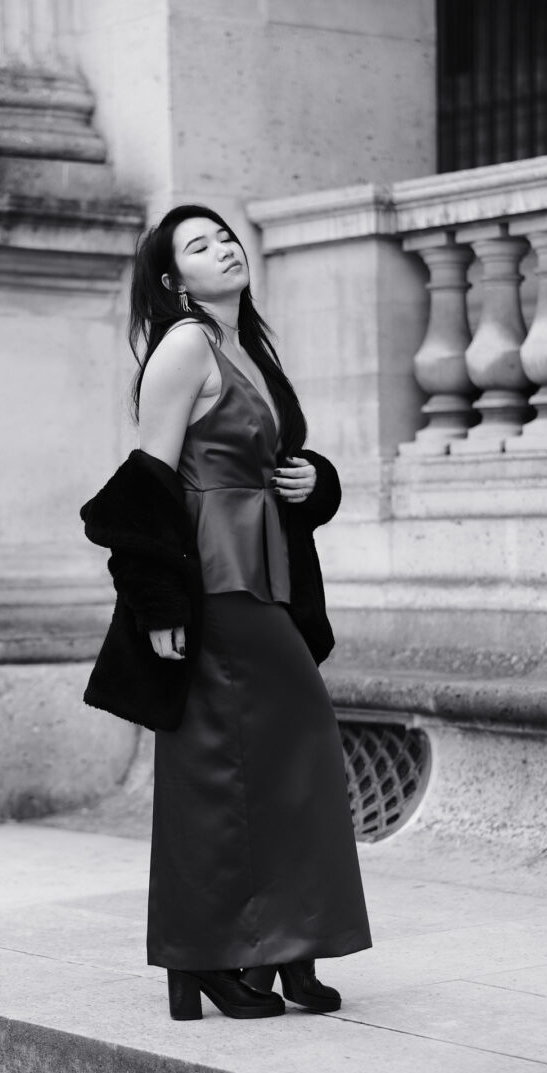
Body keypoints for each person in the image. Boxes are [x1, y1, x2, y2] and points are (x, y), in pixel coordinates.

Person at [80, 204, 372, 1021]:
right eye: (199, 246)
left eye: (226, 236)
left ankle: (289, 947)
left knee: (290, 759)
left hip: (265, 575)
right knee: (226, 763)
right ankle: (207, 953)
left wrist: (316, 480)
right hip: (215, 583)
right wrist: (158, 605)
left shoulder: (249, 346)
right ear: (174, 279)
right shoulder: (184, 344)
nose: (224, 249)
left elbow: (271, 462)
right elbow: (146, 484)